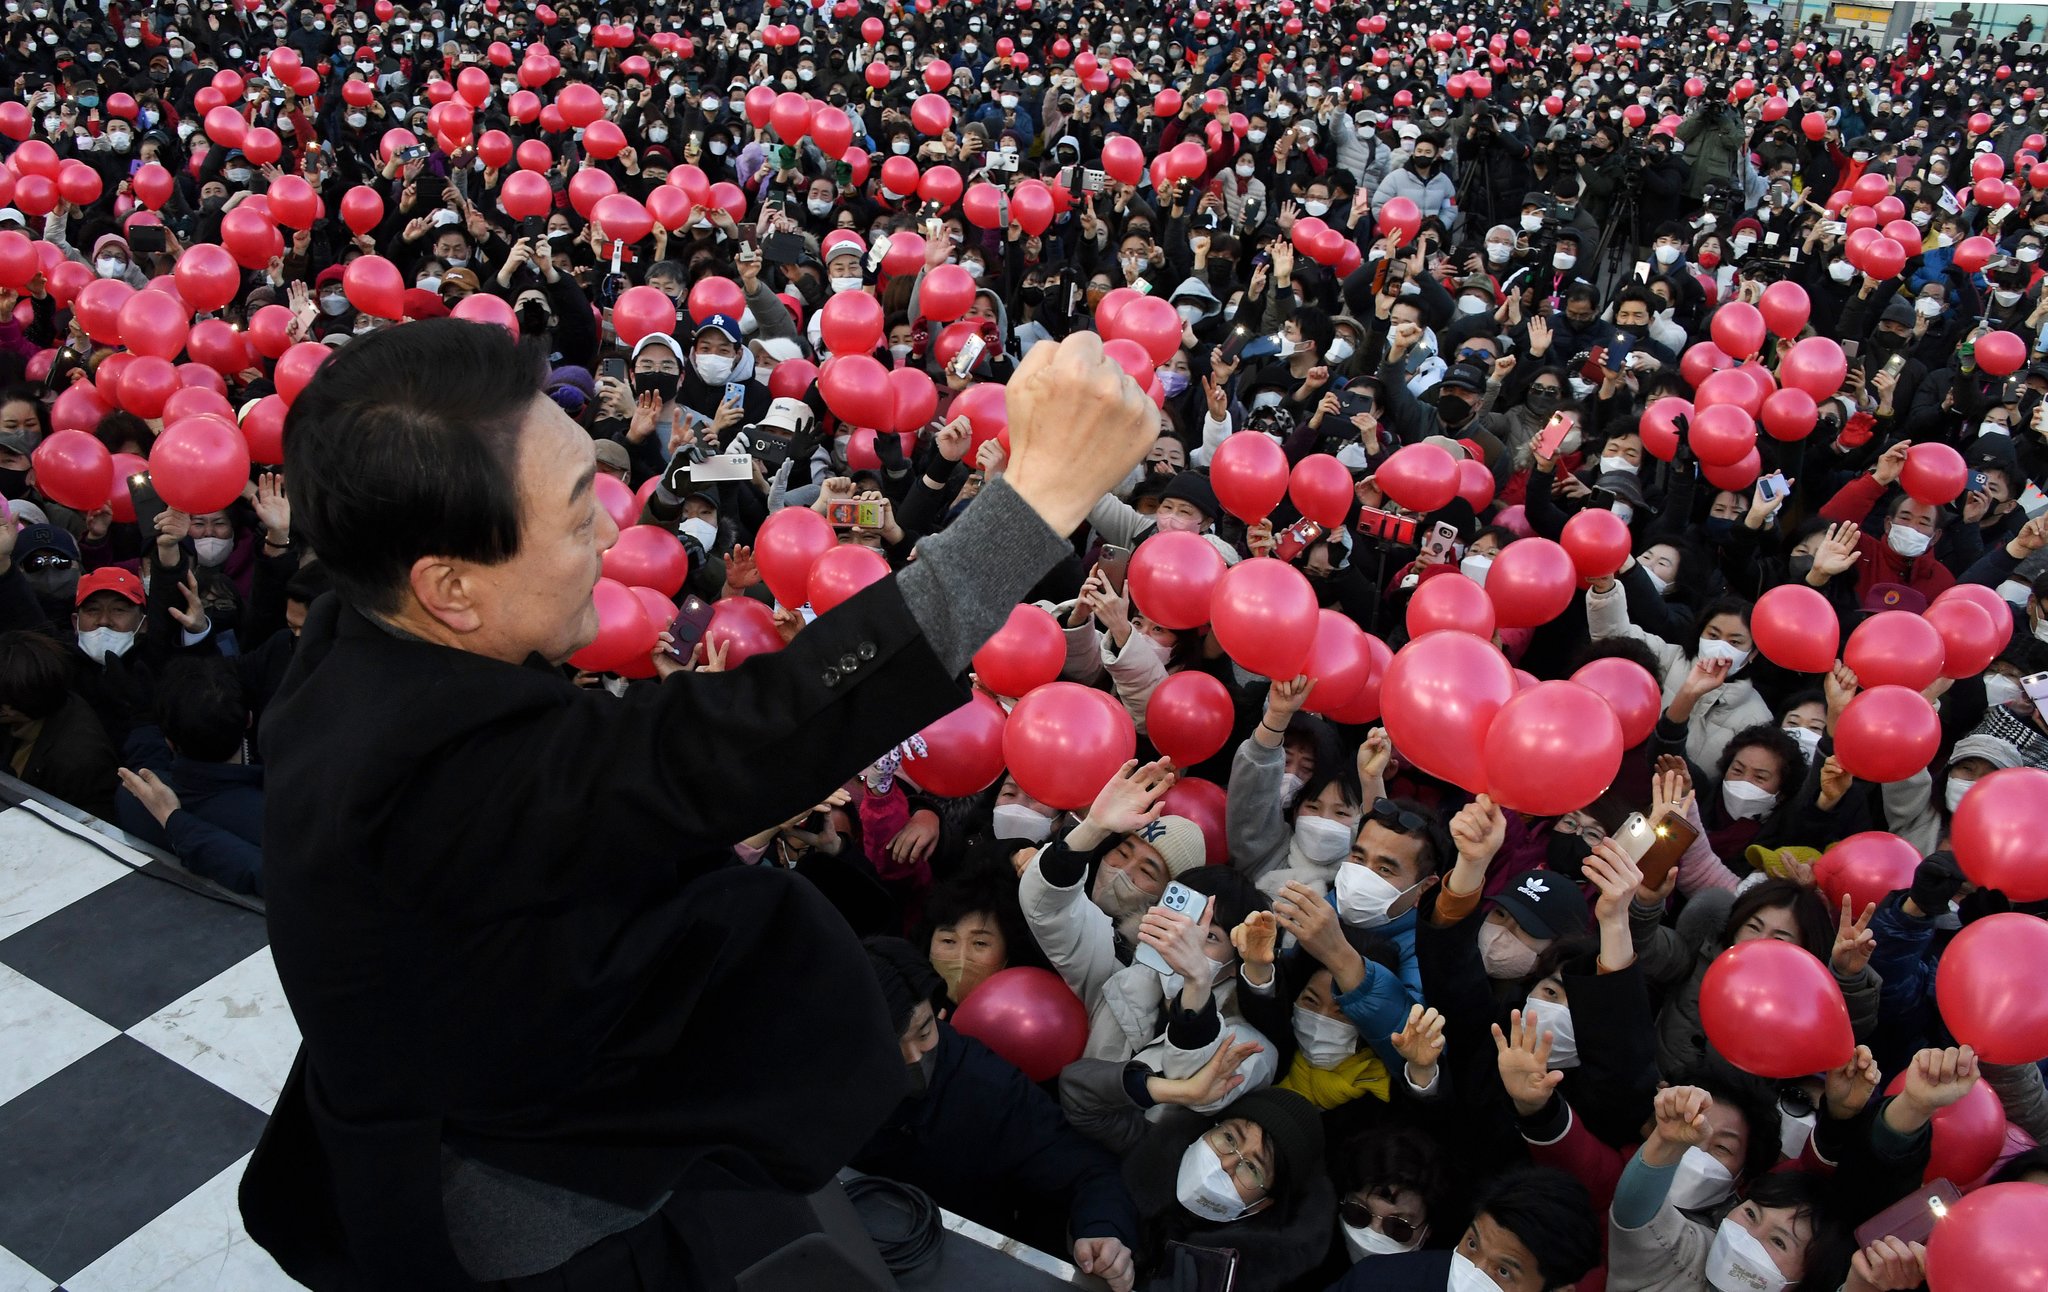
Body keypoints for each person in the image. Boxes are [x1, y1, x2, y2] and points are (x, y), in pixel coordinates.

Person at [239, 321, 1158, 1285]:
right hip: (542, 1210)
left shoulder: (355, 632)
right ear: (450, 586)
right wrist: (1036, 501)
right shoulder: (457, 777)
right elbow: (784, 720)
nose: (610, 530)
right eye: (570, 511)